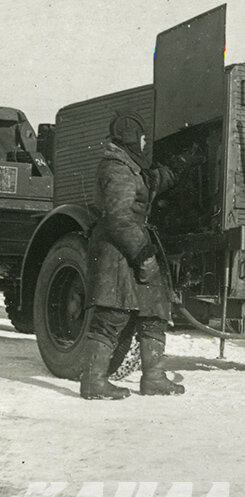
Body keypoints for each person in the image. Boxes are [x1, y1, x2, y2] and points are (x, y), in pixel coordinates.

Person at [79, 112, 198, 400]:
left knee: (155, 311)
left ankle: (154, 378)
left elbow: (152, 183)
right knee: (112, 314)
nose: (145, 143)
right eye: (143, 137)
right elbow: (119, 218)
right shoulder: (116, 169)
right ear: (131, 137)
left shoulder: (129, 166)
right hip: (117, 252)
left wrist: (182, 163)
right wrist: (143, 255)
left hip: (131, 246)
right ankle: (93, 382)